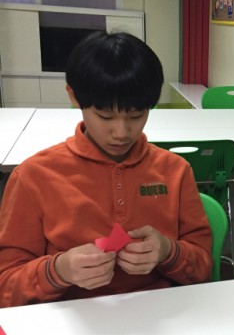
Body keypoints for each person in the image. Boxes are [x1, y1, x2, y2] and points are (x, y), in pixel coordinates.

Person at [0, 32, 212, 307]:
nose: (121, 132)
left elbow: (203, 267)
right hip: (68, 317)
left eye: (136, 115)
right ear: (74, 96)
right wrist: (58, 270)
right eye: (105, 116)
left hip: (159, 313)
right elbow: (6, 287)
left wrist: (168, 252)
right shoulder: (34, 177)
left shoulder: (175, 171)